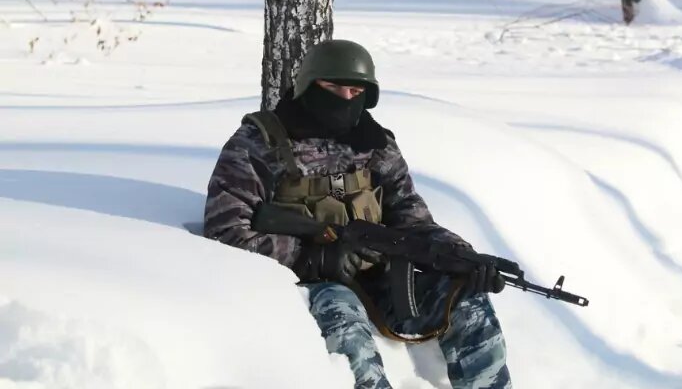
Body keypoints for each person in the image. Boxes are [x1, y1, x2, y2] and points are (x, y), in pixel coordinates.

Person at [204, 39, 512, 389]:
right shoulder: (259, 143)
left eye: (355, 91)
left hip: (380, 278)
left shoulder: (374, 143)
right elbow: (225, 231)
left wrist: (461, 257)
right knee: (345, 321)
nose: (346, 98)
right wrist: (312, 257)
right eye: (333, 88)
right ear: (308, 85)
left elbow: (411, 219)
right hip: (306, 284)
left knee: (467, 302)